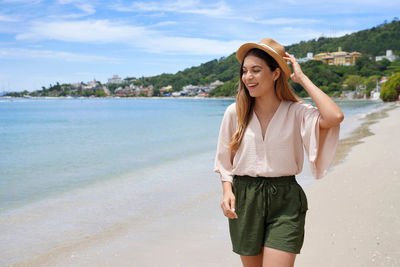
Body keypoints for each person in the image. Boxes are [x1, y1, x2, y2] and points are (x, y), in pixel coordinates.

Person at [214, 38, 344, 267]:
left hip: (285, 199)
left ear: (276, 74)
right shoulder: (234, 112)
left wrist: (301, 78)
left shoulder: (297, 112)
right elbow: (225, 161)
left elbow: (334, 117)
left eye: (256, 70)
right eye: (244, 71)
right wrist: (227, 191)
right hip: (246, 197)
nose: (248, 77)